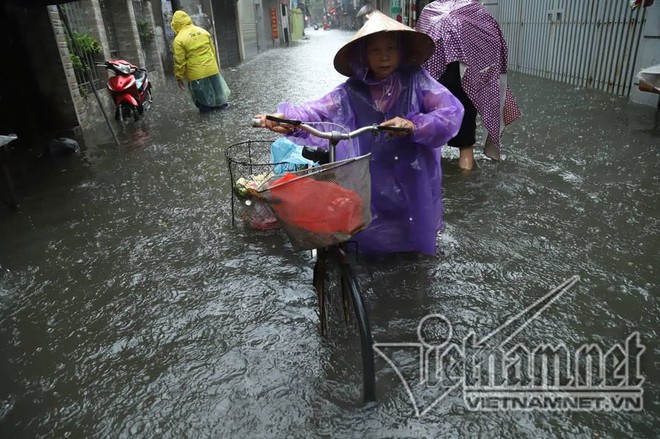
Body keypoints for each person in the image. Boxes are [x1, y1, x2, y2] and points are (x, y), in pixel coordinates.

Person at [255, 10, 464, 256]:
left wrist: (413, 125)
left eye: (390, 49)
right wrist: (287, 119)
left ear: (400, 52)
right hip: (372, 176)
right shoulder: (351, 90)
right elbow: (318, 111)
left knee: (416, 236)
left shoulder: (417, 80)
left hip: (414, 174)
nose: (384, 57)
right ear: (364, 55)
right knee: (369, 239)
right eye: (375, 50)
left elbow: (450, 112)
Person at [416, 0, 521, 170]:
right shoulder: (477, 11)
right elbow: (495, 46)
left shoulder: (431, 11)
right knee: (466, 145)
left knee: (431, 137)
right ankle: (466, 180)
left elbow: (418, 49)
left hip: (435, 82)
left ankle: (434, 181)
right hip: (468, 81)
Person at [170, 10, 230, 113]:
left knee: (203, 103)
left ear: (175, 24)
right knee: (220, 100)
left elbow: (179, 61)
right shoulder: (204, 32)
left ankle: (210, 126)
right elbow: (212, 51)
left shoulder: (179, 40)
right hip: (212, 70)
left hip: (196, 75)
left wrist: (179, 77)